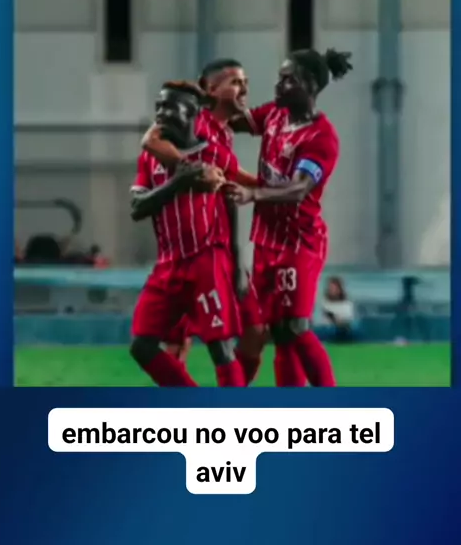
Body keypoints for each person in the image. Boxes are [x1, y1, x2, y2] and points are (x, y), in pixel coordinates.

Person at [226, 48, 353, 387]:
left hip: (299, 243)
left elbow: (299, 188)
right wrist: (216, 104)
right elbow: (235, 122)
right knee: (273, 331)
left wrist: (253, 194)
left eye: (287, 80)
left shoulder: (321, 137)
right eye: (279, 78)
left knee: (294, 327)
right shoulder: (274, 115)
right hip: (266, 241)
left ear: (309, 84)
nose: (278, 85)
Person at [142, 59, 265, 384]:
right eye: (236, 82)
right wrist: (191, 170)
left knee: (255, 332)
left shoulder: (222, 132)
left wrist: (275, 188)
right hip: (193, 252)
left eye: (245, 82)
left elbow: (230, 176)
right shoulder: (196, 122)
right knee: (183, 342)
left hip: (219, 248)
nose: (244, 88)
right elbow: (151, 139)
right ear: (210, 89)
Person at [321, 276, 357, 343]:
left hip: (342, 329)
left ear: (339, 289)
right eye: (330, 288)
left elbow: (348, 320)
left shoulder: (346, 304)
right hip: (328, 330)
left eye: (334, 288)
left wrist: (336, 319)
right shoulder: (325, 302)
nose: (331, 290)